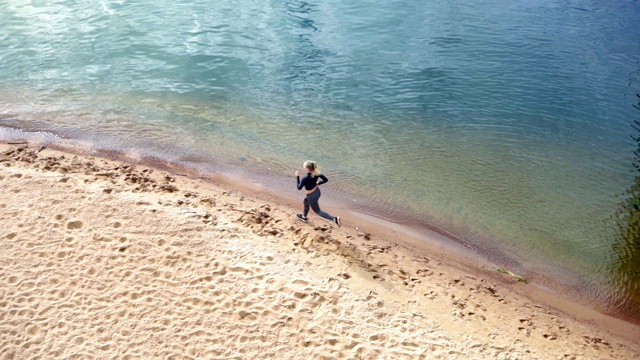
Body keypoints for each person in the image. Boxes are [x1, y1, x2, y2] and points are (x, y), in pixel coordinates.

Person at [295, 160, 341, 227]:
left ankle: (335, 219)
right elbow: (326, 180)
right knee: (306, 201)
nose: (303, 167)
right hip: (317, 192)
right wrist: (318, 183)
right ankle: (304, 216)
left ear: (307, 168)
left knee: (318, 211)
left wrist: (297, 176)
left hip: (311, 196)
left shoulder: (305, 178)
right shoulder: (316, 173)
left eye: (304, 166)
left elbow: (299, 187)